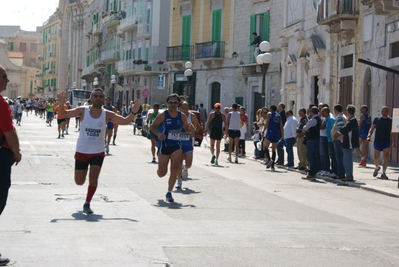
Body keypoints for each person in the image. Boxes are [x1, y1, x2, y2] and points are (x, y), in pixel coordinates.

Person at [57, 89, 140, 214]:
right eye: (95, 96)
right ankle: (84, 189)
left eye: (101, 96)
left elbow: (125, 121)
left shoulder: (107, 114)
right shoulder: (83, 110)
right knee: (79, 181)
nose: (98, 98)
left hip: (98, 151)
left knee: (94, 178)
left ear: (104, 99)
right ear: (91, 98)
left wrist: (134, 111)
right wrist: (61, 102)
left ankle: (87, 203)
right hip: (82, 150)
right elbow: (64, 114)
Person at [150, 94, 194, 203]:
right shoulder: (163, 115)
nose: (172, 104)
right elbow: (152, 126)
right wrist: (158, 134)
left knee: (174, 169)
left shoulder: (182, 116)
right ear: (167, 103)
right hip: (164, 145)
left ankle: (169, 192)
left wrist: (190, 129)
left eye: (175, 102)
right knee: (162, 173)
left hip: (176, 146)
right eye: (170, 102)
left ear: (178, 104)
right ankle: (159, 170)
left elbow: (187, 129)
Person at [0, 65, 22, 266]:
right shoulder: (0, 104)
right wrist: (16, 152)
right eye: (4, 77)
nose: (7, 81)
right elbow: (9, 132)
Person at [176, 101, 199, 189]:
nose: (185, 110)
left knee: (189, 163)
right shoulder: (176, 116)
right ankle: (179, 180)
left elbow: (197, 127)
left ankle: (185, 169)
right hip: (178, 142)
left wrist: (193, 130)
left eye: (187, 108)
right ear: (180, 108)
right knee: (179, 162)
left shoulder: (192, 116)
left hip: (189, 142)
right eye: (183, 108)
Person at [367, 106, 395, 179]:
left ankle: (383, 172)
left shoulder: (390, 120)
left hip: (386, 141)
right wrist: (369, 135)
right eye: (383, 111)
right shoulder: (377, 119)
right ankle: (377, 167)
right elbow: (372, 128)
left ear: (388, 112)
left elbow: (393, 132)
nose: (384, 113)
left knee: (386, 156)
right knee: (376, 157)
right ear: (381, 112)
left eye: (386, 111)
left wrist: (394, 142)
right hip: (378, 141)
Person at [334, 105, 359, 181]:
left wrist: (338, 133)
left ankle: (349, 175)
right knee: (345, 159)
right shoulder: (350, 120)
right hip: (346, 142)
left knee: (347, 159)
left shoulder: (353, 121)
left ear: (348, 112)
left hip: (349, 143)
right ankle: (348, 174)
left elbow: (345, 129)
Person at [299, 107, 321, 179]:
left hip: (311, 139)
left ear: (311, 112)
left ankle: (311, 173)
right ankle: (313, 172)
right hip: (316, 139)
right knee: (314, 156)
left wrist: (307, 130)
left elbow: (305, 128)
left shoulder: (313, 120)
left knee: (311, 156)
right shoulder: (318, 119)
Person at [261, 105, 284, 171]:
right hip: (276, 133)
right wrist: (282, 135)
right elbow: (281, 126)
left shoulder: (269, 114)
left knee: (265, 146)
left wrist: (263, 131)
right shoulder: (279, 116)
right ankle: (272, 165)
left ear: (270, 109)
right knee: (274, 150)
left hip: (270, 132)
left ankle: (269, 159)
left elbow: (267, 123)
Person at [331, 104, 347, 179]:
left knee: (339, 157)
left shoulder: (340, 117)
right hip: (339, 139)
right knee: (339, 157)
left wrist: (335, 136)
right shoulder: (341, 117)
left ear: (335, 110)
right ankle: (340, 172)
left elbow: (340, 128)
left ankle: (340, 173)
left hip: (338, 140)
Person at [322, 107, 337, 178]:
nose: (321, 113)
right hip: (329, 139)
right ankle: (332, 170)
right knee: (331, 155)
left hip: (332, 140)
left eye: (322, 111)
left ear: (325, 111)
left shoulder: (331, 119)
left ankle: (335, 171)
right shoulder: (327, 119)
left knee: (333, 156)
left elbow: (334, 129)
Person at [276, 103, 287, 167]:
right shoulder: (280, 113)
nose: (278, 107)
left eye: (279, 106)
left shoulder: (282, 114)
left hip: (280, 132)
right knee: (278, 146)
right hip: (279, 131)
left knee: (280, 146)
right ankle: (279, 159)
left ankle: (281, 160)